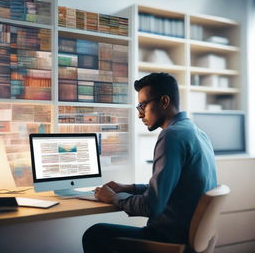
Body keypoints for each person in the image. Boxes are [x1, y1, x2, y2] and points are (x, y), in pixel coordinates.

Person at [82, 72, 217, 253]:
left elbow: (151, 206)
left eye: (143, 106)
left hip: (169, 239)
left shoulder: (171, 136)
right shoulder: (195, 132)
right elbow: (174, 188)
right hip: (189, 237)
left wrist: (113, 198)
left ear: (164, 102)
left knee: (95, 234)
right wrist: (129, 187)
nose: (140, 115)